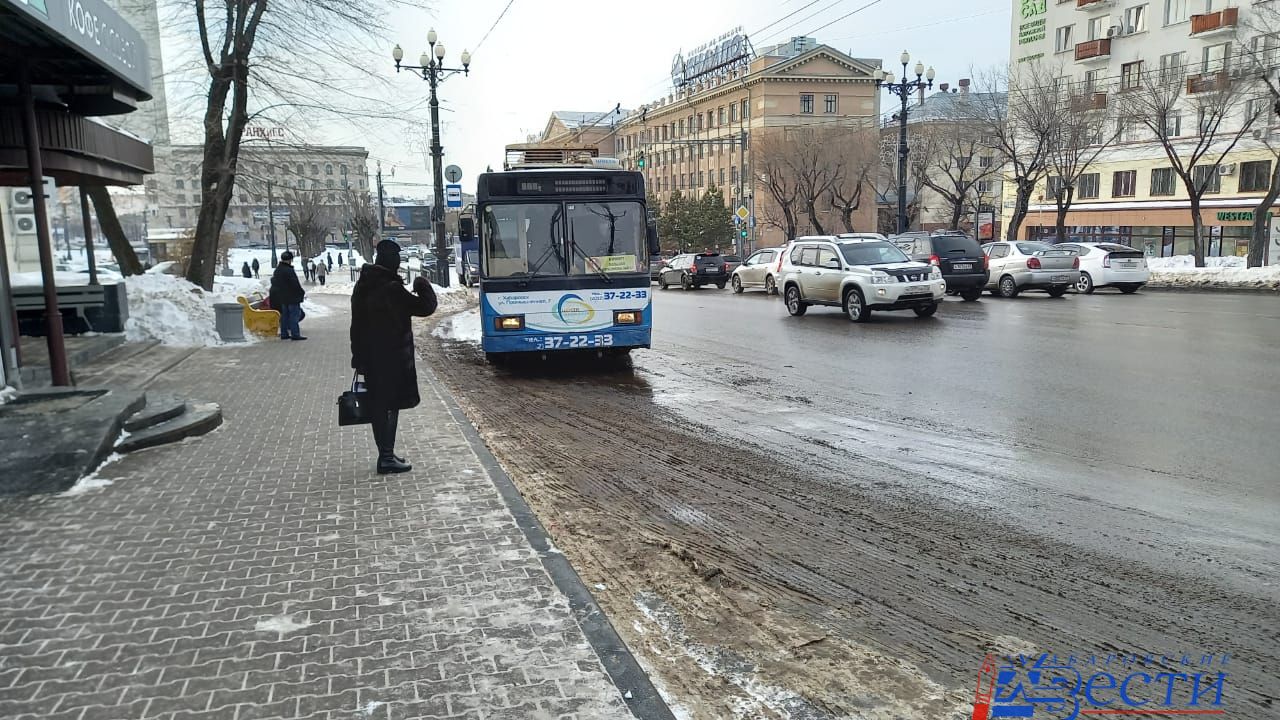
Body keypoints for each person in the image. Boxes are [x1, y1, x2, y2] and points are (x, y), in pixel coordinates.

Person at [351, 240, 437, 474]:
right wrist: (422, 284)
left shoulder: (363, 286)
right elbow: (425, 307)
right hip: (391, 359)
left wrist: (358, 357)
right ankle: (386, 458)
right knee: (389, 407)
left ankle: (385, 453)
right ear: (392, 262)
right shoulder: (391, 288)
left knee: (380, 405)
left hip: (371, 359)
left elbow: (355, 326)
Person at [269, 250, 306, 340]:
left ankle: (284, 333)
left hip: (282, 298)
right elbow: (295, 284)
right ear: (290, 260)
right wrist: (301, 292)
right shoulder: (289, 270)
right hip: (292, 297)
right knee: (294, 316)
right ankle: (295, 334)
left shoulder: (278, 270)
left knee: (284, 316)